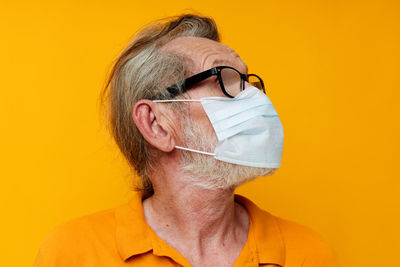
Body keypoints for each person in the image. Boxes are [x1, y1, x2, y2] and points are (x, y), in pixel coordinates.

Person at [34, 14, 340, 267]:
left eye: (248, 82)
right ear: (156, 124)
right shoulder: (71, 253)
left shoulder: (310, 254)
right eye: (225, 79)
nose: (255, 98)